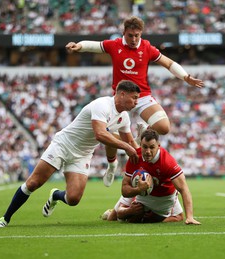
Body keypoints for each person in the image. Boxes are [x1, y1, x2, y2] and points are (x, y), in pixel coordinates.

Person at [65, 16, 204, 187]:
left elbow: (168, 63)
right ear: (124, 33)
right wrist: (79, 46)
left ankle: (138, 135)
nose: (134, 39)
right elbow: (95, 45)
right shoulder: (114, 45)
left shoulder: (146, 47)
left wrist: (186, 77)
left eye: (137, 35)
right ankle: (112, 164)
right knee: (107, 134)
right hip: (120, 99)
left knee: (164, 127)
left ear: (141, 34)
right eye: (130, 35)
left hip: (142, 96)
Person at [0, 80, 141, 227]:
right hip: (63, 145)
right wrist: (126, 147)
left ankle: (55, 195)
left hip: (82, 154)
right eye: (134, 97)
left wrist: (146, 154)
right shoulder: (102, 105)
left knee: (74, 199)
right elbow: (100, 134)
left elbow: (131, 143)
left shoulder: (124, 118)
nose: (136, 102)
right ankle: (5, 218)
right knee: (33, 183)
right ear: (122, 94)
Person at [118, 129, 201, 224]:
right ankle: (115, 213)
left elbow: (183, 188)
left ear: (158, 146)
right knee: (116, 215)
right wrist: (138, 189)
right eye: (145, 147)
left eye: (152, 147)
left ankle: (150, 216)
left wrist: (190, 217)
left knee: (137, 219)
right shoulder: (135, 157)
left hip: (163, 197)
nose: (148, 151)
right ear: (140, 145)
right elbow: (124, 190)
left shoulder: (167, 162)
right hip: (141, 194)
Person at [101, 195, 184, 222]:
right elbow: (119, 213)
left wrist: (157, 219)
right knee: (111, 218)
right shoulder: (134, 188)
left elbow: (179, 216)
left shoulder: (166, 194)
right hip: (129, 207)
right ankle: (110, 211)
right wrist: (130, 211)